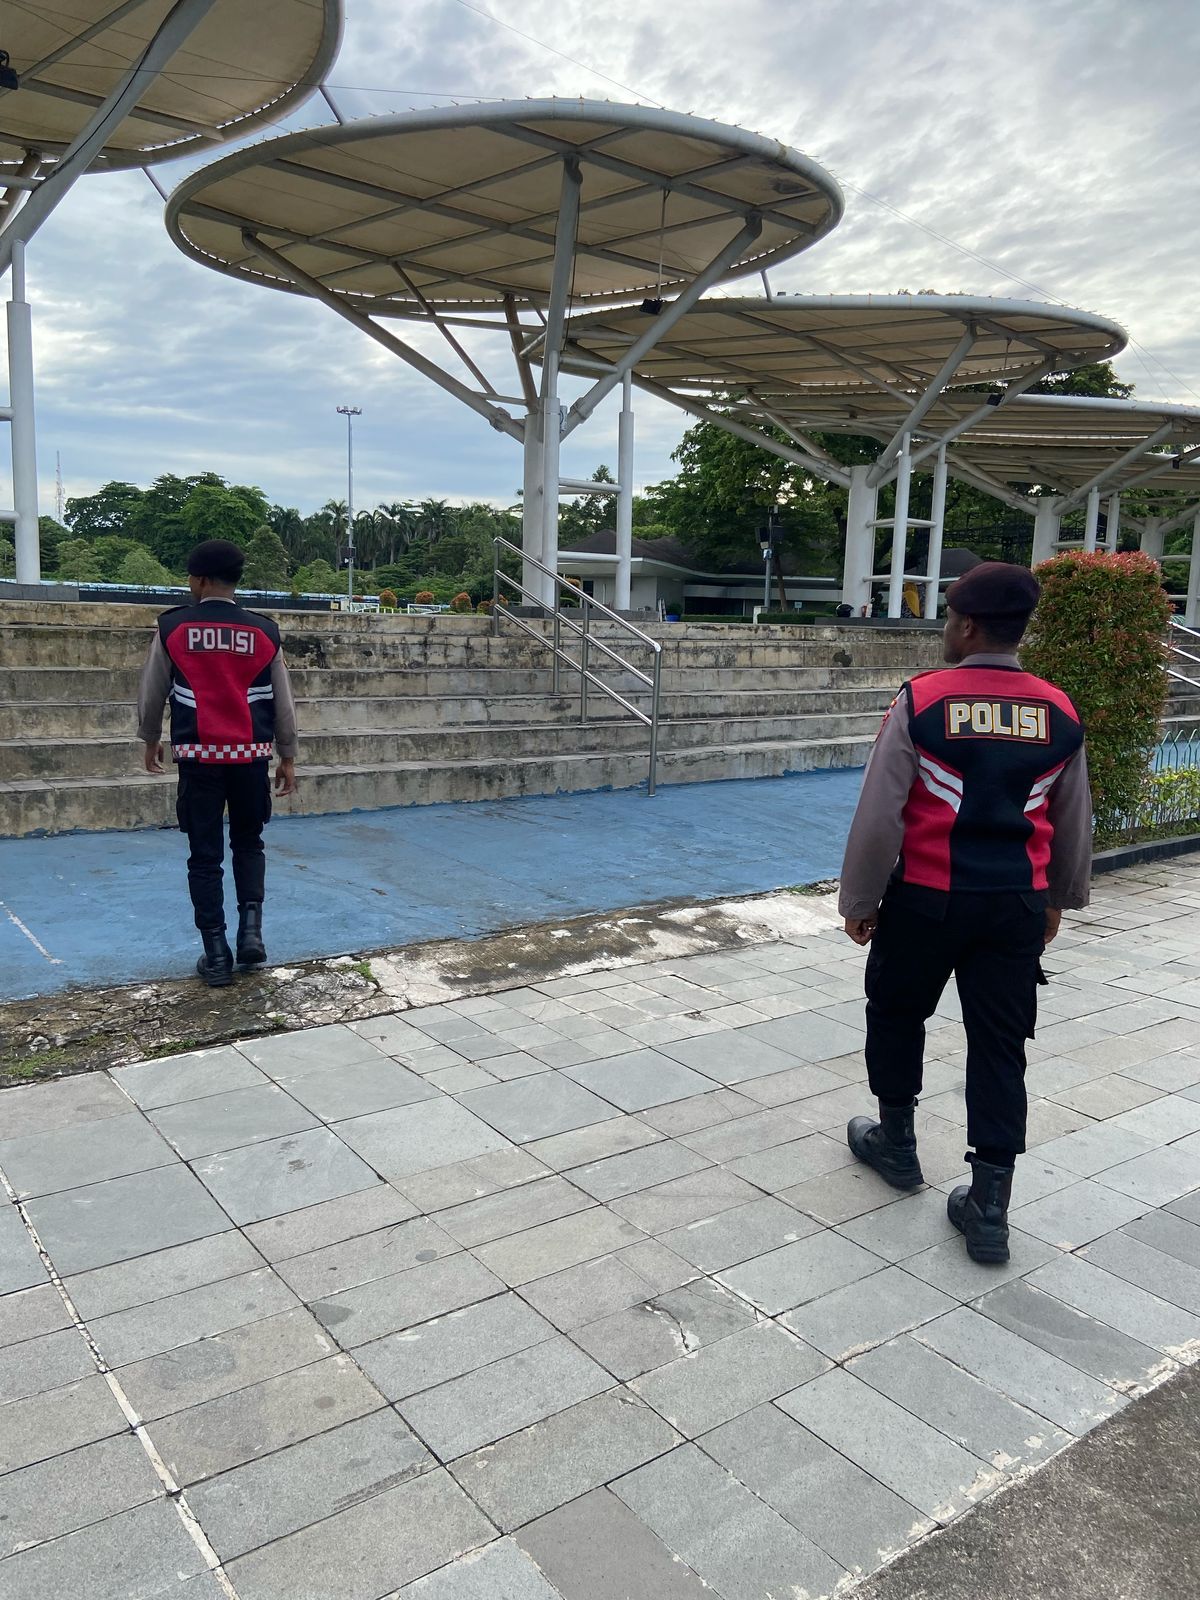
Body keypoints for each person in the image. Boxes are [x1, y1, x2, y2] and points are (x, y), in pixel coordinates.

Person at [838, 562, 1092, 1264]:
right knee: (1001, 1045)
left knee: (897, 1014)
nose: (947, 629)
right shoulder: (1059, 711)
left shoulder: (923, 700)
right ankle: (989, 1207)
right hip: (1014, 906)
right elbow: (1073, 818)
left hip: (925, 899)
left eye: (950, 617)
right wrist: (1058, 899)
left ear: (969, 625)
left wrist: (860, 900)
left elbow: (880, 812)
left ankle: (897, 1145)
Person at [137, 539, 299, 986]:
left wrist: (150, 738)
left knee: (204, 856)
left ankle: (216, 954)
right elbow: (283, 703)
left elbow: (153, 690)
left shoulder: (173, 627)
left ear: (201, 580)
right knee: (249, 843)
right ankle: (251, 935)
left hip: (198, 758)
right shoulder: (264, 632)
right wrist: (287, 755)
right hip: (251, 758)